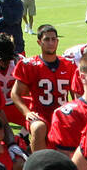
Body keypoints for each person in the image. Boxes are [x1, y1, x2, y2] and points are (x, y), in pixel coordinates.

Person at [12, 24, 78, 152]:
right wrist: (27, 112)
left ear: (57, 41)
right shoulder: (30, 64)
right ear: (39, 42)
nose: (51, 43)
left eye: (54, 39)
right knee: (38, 128)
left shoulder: (68, 64)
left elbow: (75, 93)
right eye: (47, 39)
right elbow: (15, 94)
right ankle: (37, 167)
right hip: (40, 113)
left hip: (62, 113)